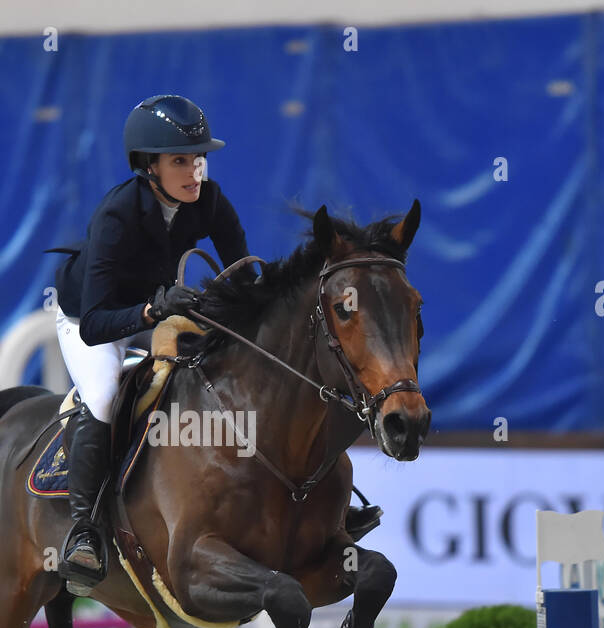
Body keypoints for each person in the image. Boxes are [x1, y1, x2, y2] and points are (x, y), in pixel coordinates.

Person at [50, 94, 380, 592]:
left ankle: (327, 503)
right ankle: (85, 531)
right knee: (102, 395)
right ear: (149, 167)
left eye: (199, 158)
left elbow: (245, 280)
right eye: (180, 160)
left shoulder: (209, 200)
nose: (194, 171)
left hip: (160, 304)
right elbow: (97, 323)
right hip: (88, 318)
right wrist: (154, 310)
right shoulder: (117, 215)